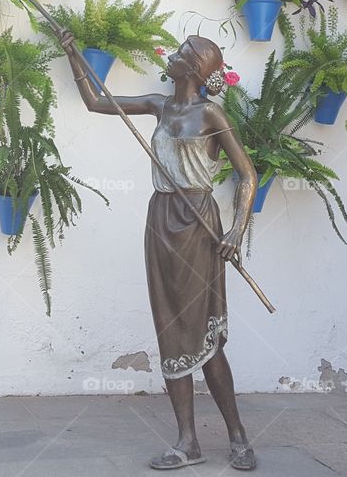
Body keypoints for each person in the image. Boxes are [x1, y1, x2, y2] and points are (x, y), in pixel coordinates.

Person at [61, 31, 259, 471]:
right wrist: (74, 53)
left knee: (203, 332)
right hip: (162, 222)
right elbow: (95, 102)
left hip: (200, 225)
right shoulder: (157, 104)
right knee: (172, 331)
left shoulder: (211, 114)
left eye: (180, 55)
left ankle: (239, 435)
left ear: (192, 70)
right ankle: (188, 440)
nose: (171, 57)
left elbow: (248, 176)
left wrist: (237, 232)